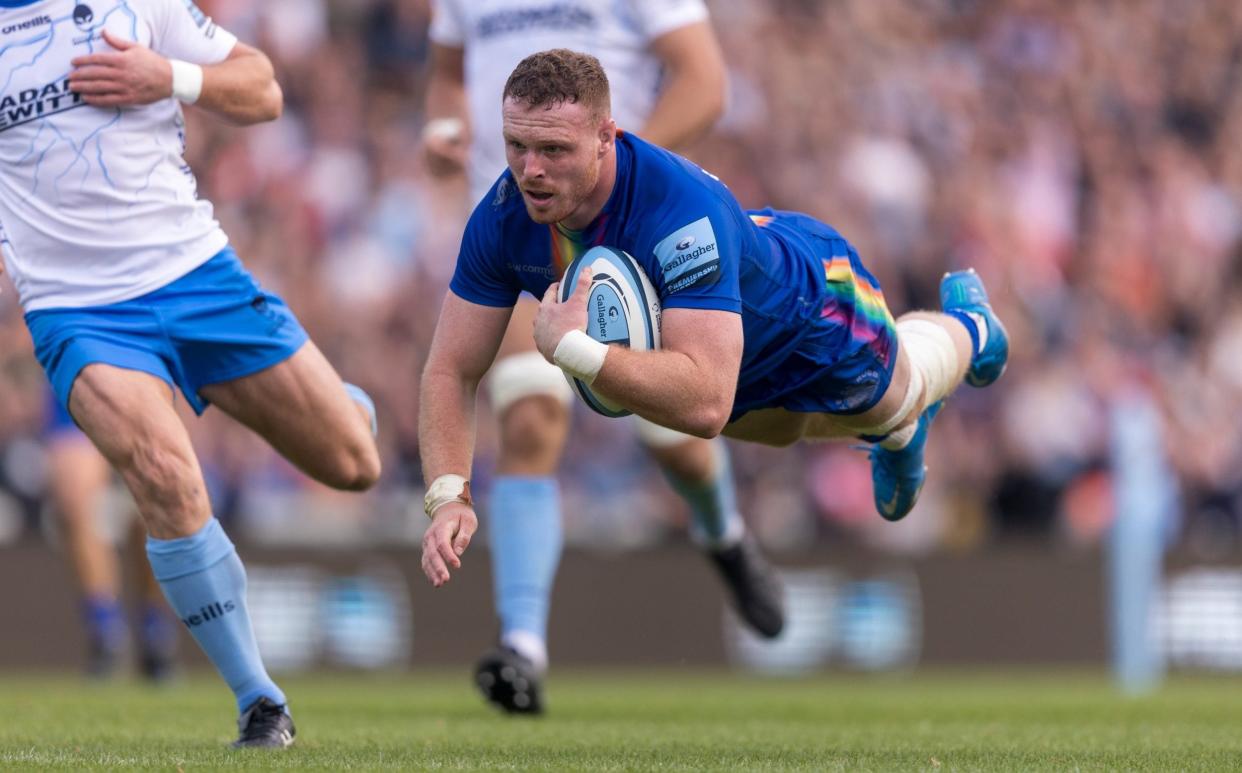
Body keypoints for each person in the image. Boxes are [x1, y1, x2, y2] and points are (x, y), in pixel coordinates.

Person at [419, 49, 1008, 597]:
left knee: (891, 398)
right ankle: (896, 430)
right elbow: (450, 367)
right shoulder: (500, 219)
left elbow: (704, 407)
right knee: (783, 432)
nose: (529, 170)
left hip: (810, 309)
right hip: (718, 357)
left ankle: (972, 328)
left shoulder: (679, 213)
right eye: (515, 145)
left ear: (606, 138)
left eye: (553, 150)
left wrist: (572, 350)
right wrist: (449, 494)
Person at [0, 0, 381, 749]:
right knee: (163, 473)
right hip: (77, 309)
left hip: (195, 273)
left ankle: (345, 406)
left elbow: (264, 90)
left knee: (353, 462)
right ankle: (259, 700)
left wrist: (167, 76)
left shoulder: (138, 4)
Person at [423, 1, 784, 714]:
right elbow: (444, 75)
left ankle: (724, 533)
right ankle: (522, 646)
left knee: (679, 440)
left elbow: (706, 81)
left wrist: (611, 175)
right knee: (528, 423)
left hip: (632, 234)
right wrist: (441, 126)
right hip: (524, 244)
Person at [44, 393, 177, 680]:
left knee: (153, 507)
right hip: (75, 385)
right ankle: (106, 631)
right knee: (74, 499)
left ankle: (155, 629)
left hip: (143, 388)